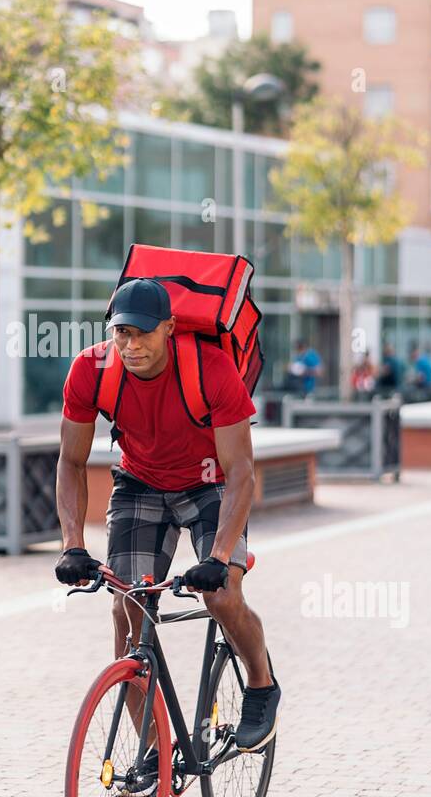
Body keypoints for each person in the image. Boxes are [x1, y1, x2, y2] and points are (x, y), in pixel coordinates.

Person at [55, 276, 280, 767]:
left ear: (170, 328)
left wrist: (218, 558)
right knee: (126, 607)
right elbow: (70, 463)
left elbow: (242, 471)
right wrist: (72, 543)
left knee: (221, 594)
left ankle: (261, 686)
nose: (130, 345)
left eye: (142, 334)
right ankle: (154, 752)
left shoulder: (211, 369)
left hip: (211, 483)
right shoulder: (91, 372)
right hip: (140, 484)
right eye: (121, 334)